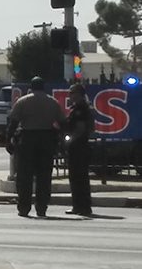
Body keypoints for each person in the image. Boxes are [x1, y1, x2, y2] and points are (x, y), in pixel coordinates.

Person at [6, 76, 66, 218]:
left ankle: (24, 207)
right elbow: (63, 123)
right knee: (44, 177)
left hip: (27, 140)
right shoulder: (53, 102)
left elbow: (13, 123)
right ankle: (41, 207)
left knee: (24, 176)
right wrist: (61, 141)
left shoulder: (23, 101)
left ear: (31, 87)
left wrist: (8, 140)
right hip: (46, 140)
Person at [65, 83, 93, 216]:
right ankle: (80, 205)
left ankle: (81, 206)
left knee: (78, 178)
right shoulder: (76, 108)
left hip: (79, 147)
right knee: (77, 177)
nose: (70, 95)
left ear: (79, 94)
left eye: (73, 93)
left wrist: (70, 140)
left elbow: (80, 129)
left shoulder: (81, 109)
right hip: (78, 147)